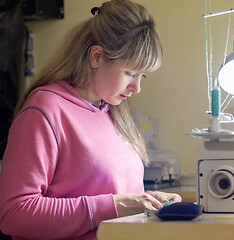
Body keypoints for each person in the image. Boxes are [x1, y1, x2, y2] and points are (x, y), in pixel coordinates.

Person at [0, 0, 181, 239]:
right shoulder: (45, 109)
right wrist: (111, 207)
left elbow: (114, 196)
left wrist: (148, 202)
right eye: (130, 73)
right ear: (96, 57)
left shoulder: (114, 113)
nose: (136, 88)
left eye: (142, 76)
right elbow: (15, 215)